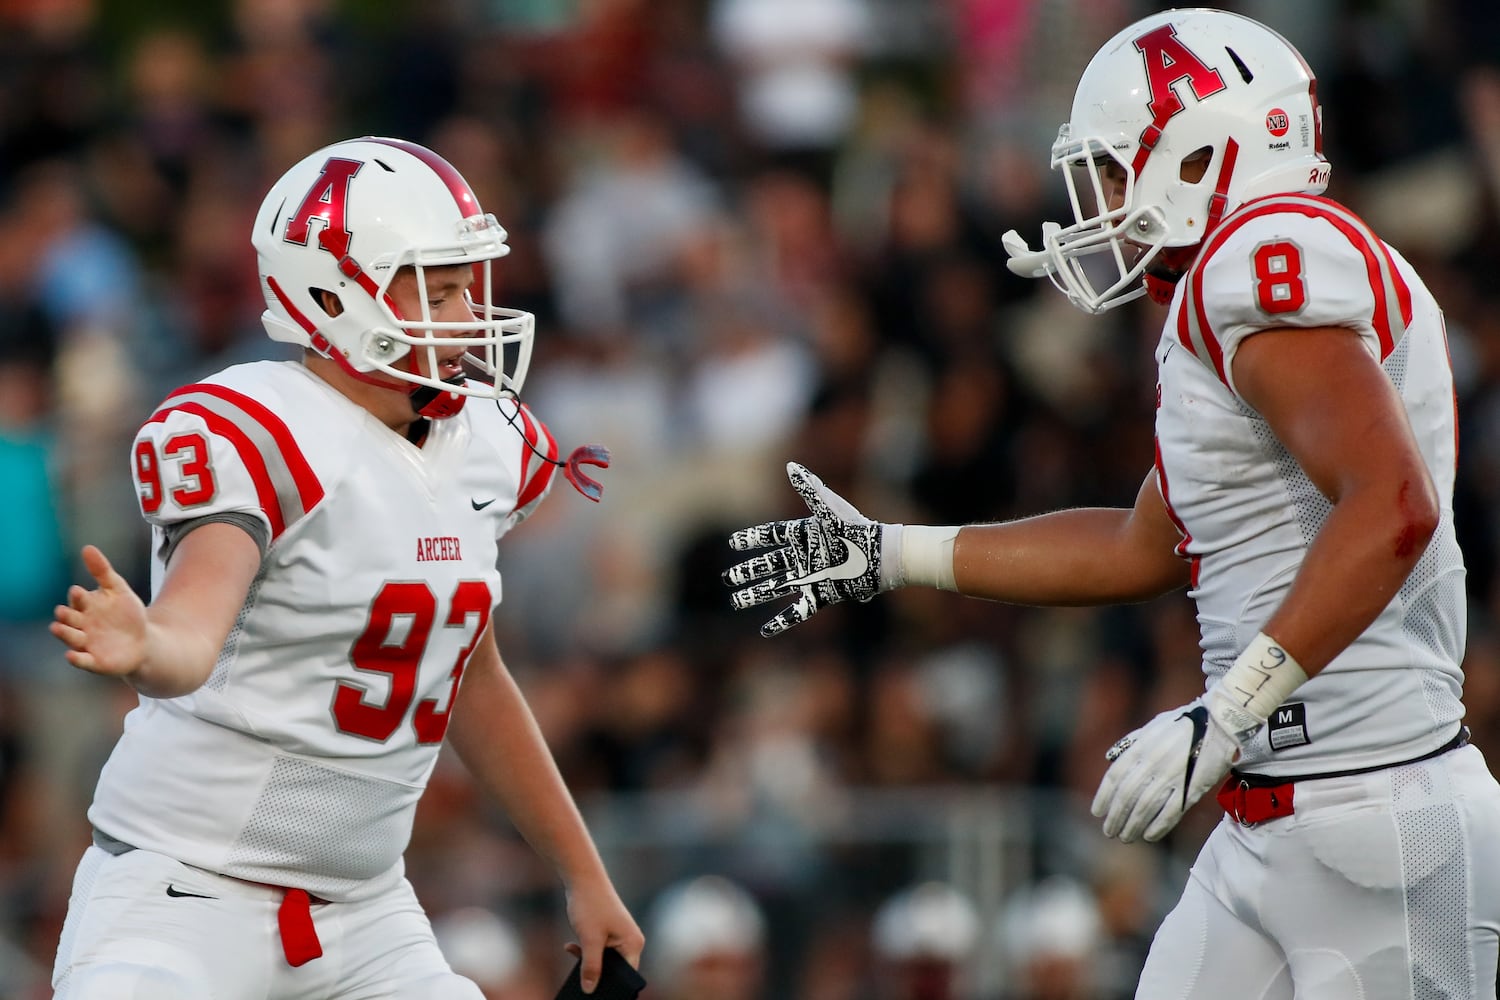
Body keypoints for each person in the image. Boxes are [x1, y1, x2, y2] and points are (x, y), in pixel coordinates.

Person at [724, 8, 1500, 997]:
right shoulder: (1216, 301)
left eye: (1116, 169)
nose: (1100, 205)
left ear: (1202, 154)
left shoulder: (1257, 259)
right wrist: (893, 552)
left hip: (1379, 815)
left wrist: (1230, 703)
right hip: (1278, 818)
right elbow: (1146, 541)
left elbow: (1392, 504)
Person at [47, 136, 642, 999]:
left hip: (364, 915)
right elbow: (191, 634)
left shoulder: (483, 445)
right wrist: (148, 645)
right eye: (436, 290)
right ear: (330, 294)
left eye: (466, 285)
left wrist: (584, 874)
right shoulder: (259, 428)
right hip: (181, 899)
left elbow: (468, 672)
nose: (467, 312)